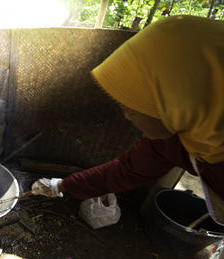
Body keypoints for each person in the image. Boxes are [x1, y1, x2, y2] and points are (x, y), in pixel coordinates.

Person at [31, 15, 224, 225]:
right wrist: (60, 185)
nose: (126, 115)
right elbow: (123, 171)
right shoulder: (172, 138)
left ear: (176, 99)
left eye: (131, 106)